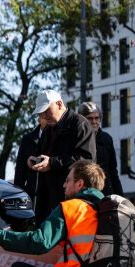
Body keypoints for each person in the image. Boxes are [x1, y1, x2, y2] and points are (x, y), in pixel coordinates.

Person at [0, 161, 118, 267]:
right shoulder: (110, 211)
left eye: (68, 180)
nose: (64, 185)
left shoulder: (71, 207)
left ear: (79, 184)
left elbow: (39, 242)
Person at [28, 89, 95, 222]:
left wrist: (52, 163)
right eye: (41, 113)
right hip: (51, 199)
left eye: (46, 111)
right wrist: (34, 159)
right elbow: (42, 154)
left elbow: (86, 160)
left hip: (74, 200)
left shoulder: (80, 124)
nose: (44, 116)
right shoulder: (49, 129)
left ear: (59, 104)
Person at [78, 102, 123, 197]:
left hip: (105, 191)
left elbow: (113, 170)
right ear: (82, 120)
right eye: (90, 118)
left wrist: (120, 195)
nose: (94, 121)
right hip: (84, 191)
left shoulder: (107, 139)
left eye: (96, 118)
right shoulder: (76, 138)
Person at [13, 116, 47, 200]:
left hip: (51, 195)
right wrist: (19, 196)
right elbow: (20, 171)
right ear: (39, 119)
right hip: (31, 195)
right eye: (45, 116)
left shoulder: (59, 137)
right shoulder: (27, 139)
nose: (48, 118)